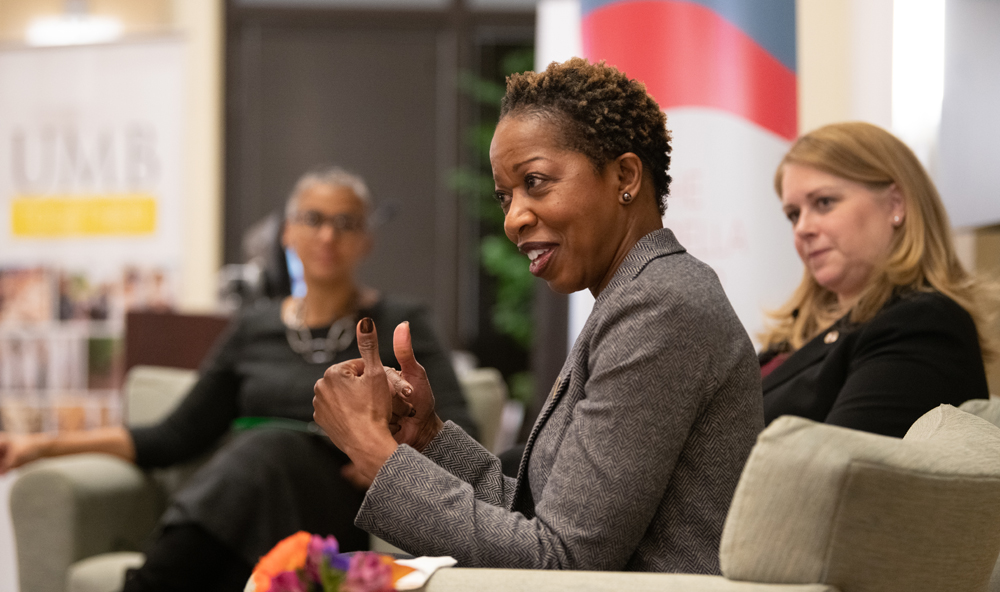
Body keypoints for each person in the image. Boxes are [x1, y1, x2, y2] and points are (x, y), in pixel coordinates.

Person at [312, 58, 763, 574]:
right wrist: (427, 437)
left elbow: (559, 563)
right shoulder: (641, 296)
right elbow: (543, 523)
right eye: (506, 196)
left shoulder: (661, 309)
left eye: (537, 182)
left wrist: (375, 455)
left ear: (625, 176)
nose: (514, 218)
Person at [0, 167, 476, 591]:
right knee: (255, 469)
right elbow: (173, 436)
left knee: (268, 448)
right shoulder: (255, 325)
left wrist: (385, 457)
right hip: (251, 503)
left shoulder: (399, 321)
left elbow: (456, 429)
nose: (328, 235)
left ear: (365, 240)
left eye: (346, 223)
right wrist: (38, 446)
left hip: (344, 501)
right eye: (313, 219)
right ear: (287, 232)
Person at [758, 122, 993, 438]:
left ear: (896, 204)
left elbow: (836, 470)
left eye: (824, 203)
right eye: (793, 214)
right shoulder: (795, 332)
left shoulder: (922, 325)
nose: (802, 228)